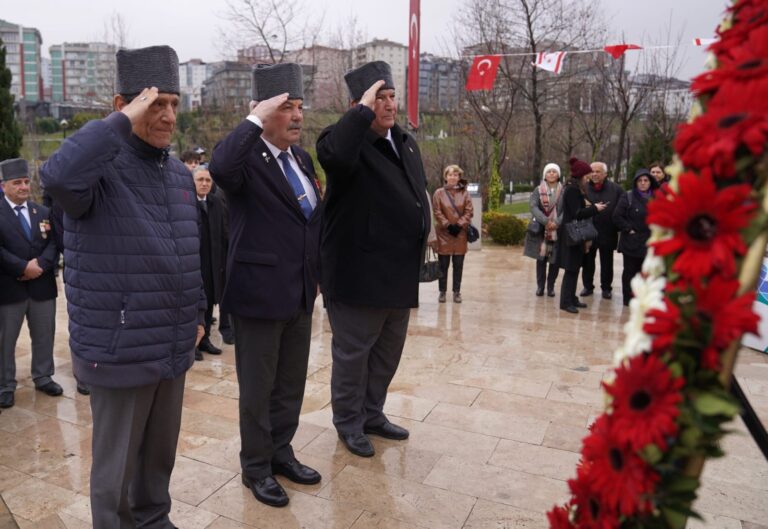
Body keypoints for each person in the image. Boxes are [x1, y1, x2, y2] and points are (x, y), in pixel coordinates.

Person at [41, 45, 205, 528]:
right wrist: (117, 125)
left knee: (158, 457)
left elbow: (186, 252)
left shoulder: (176, 173)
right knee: (115, 470)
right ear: (123, 106)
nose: (168, 115)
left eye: (174, 104)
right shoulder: (96, 173)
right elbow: (58, 176)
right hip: (120, 344)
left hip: (172, 340)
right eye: (156, 103)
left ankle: (155, 519)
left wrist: (196, 314)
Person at [209, 62, 323, 508]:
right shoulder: (246, 161)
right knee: (258, 388)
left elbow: (311, 222)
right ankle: (255, 467)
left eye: (299, 107)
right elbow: (220, 166)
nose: (297, 116)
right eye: (285, 108)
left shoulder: (301, 158)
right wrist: (254, 119)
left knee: (290, 383)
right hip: (258, 296)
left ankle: (281, 452)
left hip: (299, 292)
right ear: (262, 111)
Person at [317, 61, 431, 458]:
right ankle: (348, 422)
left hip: (398, 275)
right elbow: (333, 157)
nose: (388, 104)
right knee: (353, 357)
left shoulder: (404, 140)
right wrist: (359, 114)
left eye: (391, 96)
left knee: (385, 355)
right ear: (358, 105)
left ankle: (372, 413)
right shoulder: (344, 141)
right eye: (378, 98)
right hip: (357, 276)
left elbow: (418, 192)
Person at [0, 158, 63, 409]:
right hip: (9, 288)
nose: (24, 187)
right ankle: (5, 384)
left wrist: (39, 265)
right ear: (4, 185)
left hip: (41, 286)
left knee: (44, 334)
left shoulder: (43, 212)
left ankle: (43, 375)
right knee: (5, 339)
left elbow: (54, 243)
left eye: (26, 182)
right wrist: (22, 267)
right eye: (18, 183)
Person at [558, 157, 606, 314]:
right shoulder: (572, 190)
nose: (588, 178)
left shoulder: (577, 188)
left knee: (575, 268)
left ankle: (571, 298)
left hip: (576, 235)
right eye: (586, 175)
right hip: (572, 235)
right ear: (580, 175)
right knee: (571, 269)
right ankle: (565, 302)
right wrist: (595, 209)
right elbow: (576, 214)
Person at [193, 166, 228, 360]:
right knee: (195, 306)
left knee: (209, 301)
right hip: (195, 263)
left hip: (213, 262)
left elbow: (223, 233)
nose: (204, 183)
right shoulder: (188, 204)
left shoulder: (215, 202)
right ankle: (193, 344)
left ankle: (205, 339)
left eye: (207, 180)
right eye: (200, 180)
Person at [613, 168, 659, 306]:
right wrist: (628, 229)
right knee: (630, 271)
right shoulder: (628, 196)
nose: (643, 183)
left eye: (646, 180)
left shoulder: (657, 197)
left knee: (645, 272)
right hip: (632, 242)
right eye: (640, 181)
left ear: (650, 182)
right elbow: (616, 216)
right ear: (636, 182)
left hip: (649, 241)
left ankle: (641, 297)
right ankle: (628, 298)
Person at [580, 161, 622, 300]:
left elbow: (621, 209)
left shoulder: (616, 189)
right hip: (588, 232)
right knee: (587, 261)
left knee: (607, 262)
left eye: (598, 171)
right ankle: (587, 286)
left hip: (608, 231)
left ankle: (606, 288)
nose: (595, 174)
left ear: (605, 174)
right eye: (592, 171)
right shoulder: (583, 188)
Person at [432, 164, 473, 303]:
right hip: (444, 234)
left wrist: (459, 225)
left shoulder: (465, 193)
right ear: (445, 177)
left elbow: (469, 211)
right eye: (450, 174)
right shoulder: (438, 193)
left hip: (460, 234)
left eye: (455, 175)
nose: (453, 177)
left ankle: (457, 292)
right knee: (443, 265)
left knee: (458, 264)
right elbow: (437, 211)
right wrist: (448, 225)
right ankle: (442, 292)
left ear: (459, 177)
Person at [523, 162, 562, 297]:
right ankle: (540, 286)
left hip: (557, 231)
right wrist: (546, 221)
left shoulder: (564, 190)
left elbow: (567, 209)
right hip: (542, 229)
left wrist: (556, 222)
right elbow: (533, 207)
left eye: (554, 171)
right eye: (549, 171)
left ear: (558, 175)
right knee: (541, 259)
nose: (551, 173)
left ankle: (551, 287)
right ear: (545, 175)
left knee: (554, 260)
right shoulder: (538, 190)